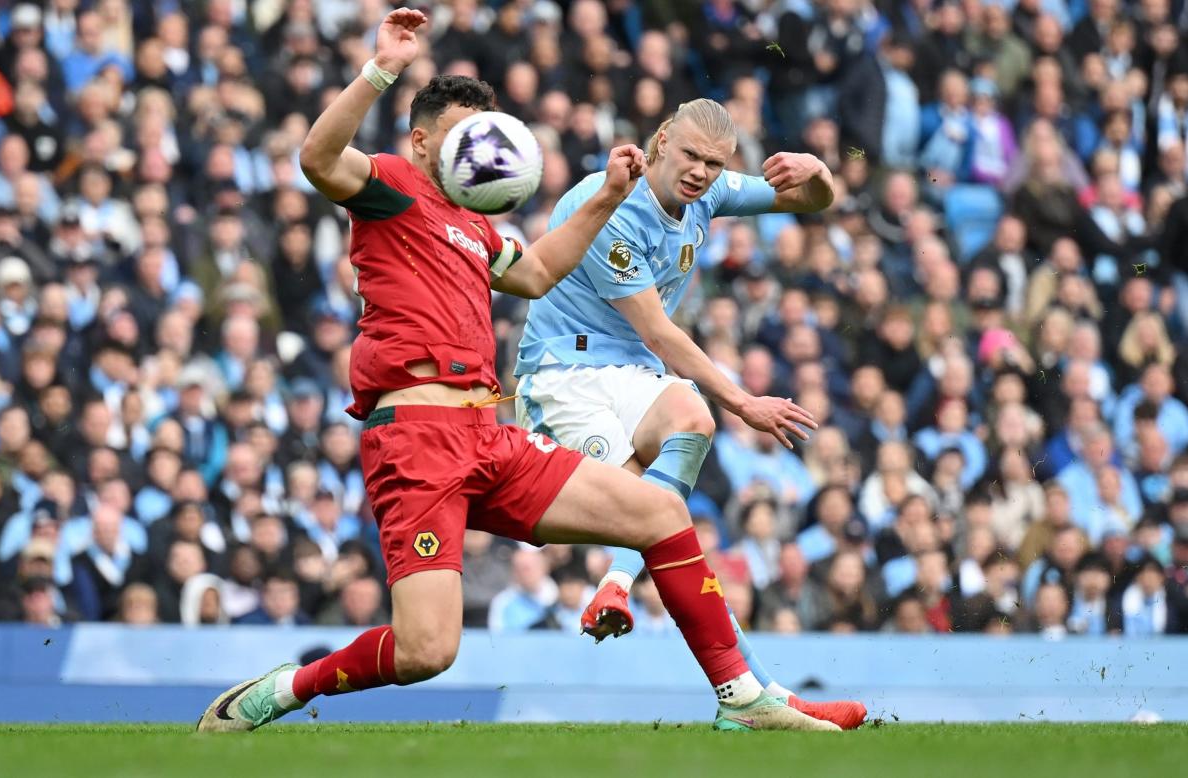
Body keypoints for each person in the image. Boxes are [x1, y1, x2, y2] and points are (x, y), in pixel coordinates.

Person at [195, 8, 837, 735]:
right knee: (426, 651)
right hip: (416, 439)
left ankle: (740, 696)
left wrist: (602, 196)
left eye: (488, 136)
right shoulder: (391, 188)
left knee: (661, 512)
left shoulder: (474, 225)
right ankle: (286, 689)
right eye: (465, 136)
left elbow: (532, 273)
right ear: (422, 141)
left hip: (486, 434)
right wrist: (381, 69)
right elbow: (317, 158)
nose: (481, 150)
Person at [513, 97, 865, 729]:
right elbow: (659, 333)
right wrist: (745, 402)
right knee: (657, 513)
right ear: (660, 141)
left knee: (691, 423)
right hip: (565, 374)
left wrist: (819, 172)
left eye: (715, 162)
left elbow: (812, 203)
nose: (702, 172)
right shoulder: (613, 205)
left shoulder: (706, 192)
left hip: (626, 371)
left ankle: (630, 595)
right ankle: (752, 692)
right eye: (691, 156)